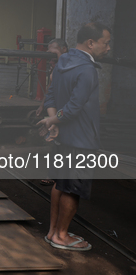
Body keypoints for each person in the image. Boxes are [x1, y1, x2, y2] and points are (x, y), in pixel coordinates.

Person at [38, 22, 111, 252]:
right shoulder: (87, 70)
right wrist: (54, 121)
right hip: (81, 141)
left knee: (61, 182)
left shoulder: (62, 61)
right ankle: (61, 236)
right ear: (91, 43)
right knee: (72, 188)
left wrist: (53, 122)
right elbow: (73, 108)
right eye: (105, 43)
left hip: (64, 138)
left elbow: (50, 97)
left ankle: (52, 231)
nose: (108, 48)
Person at [36, 38, 68, 186]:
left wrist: (53, 119)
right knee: (56, 144)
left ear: (64, 50)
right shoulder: (55, 69)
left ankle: (63, 176)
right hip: (58, 113)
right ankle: (54, 174)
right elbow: (50, 91)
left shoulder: (73, 69)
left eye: (53, 53)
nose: (50, 58)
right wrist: (49, 114)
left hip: (68, 114)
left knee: (66, 146)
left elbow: (74, 105)